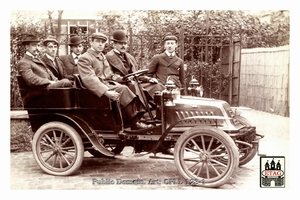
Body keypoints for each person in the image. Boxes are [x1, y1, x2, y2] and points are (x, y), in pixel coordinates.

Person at [77, 32, 151, 130]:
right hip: (96, 90)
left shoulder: (101, 56)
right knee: (123, 89)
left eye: (103, 42)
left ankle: (138, 118)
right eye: (98, 42)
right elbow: (90, 79)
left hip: (107, 83)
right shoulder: (85, 58)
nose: (100, 44)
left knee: (131, 85)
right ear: (91, 42)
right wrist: (106, 92)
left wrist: (122, 79)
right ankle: (135, 123)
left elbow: (109, 74)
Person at [105, 30, 156, 107]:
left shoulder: (129, 57)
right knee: (134, 85)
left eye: (125, 43)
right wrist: (124, 79)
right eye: (120, 43)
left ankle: (159, 110)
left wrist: (148, 79)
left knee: (156, 85)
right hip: (120, 84)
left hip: (132, 82)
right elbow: (110, 75)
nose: (123, 46)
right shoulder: (108, 57)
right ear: (114, 44)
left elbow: (135, 73)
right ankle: (143, 110)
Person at [142, 33, 186, 97]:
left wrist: (183, 93)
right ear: (164, 45)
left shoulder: (179, 61)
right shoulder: (157, 58)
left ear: (176, 45)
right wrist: (151, 80)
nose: (170, 46)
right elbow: (148, 74)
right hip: (160, 88)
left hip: (175, 89)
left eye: (172, 43)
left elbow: (182, 80)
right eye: (168, 43)